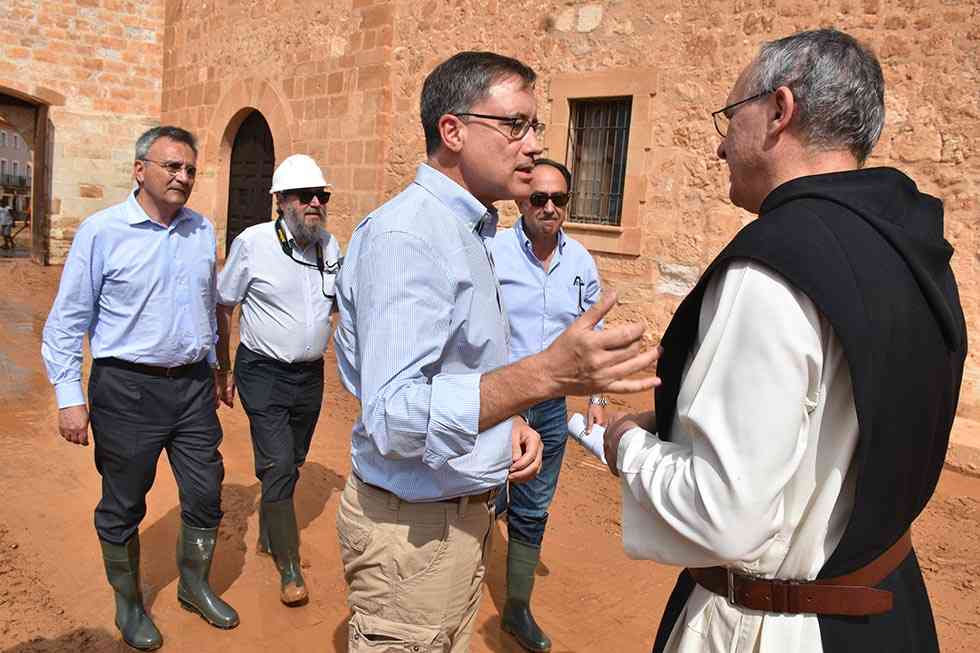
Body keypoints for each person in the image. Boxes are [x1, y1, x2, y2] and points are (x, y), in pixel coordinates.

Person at [601, 29, 967, 653]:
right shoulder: (910, 247)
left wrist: (625, 445)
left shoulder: (774, 266)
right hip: (887, 616)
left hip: (779, 627)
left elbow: (725, 514)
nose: (719, 146)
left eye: (730, 116)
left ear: (779, 110)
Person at [333, 51, 660, 652]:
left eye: (535, 125)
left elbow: (455, 367)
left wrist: (505, 422)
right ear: (452, 131)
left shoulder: (470, 230)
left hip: (455, 521)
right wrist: (543, 376)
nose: (534, 144)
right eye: (517, 125)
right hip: (413, 536)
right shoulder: (410, 238)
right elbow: (393, 417)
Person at [42, 126, 239, 651]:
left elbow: (210, 307)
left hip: (193, 388)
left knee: (205, 491)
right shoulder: (102, 232)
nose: (183, 177)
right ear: (139, 169)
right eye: (172, 166)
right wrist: (69, 400)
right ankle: (129, 603)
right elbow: (66, 322)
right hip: (126, 391)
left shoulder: (200, 231)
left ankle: (194, 586)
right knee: (124, 501)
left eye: (191, 170)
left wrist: (221, 366)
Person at [488, 158, 606, 651]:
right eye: (539, 198)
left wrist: (597, 394)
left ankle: (516, 609)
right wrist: (504, 405)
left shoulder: (580, 261)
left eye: (559, 199)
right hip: (496, 408)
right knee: (481, 499)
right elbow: (476, 334)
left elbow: (593, 331)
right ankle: (460, 596)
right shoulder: (493, 253)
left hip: (552, 409)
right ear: (522, 201)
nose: (550, 207)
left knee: (533, 511)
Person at [215, 153, 341, 607]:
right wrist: (222, 367)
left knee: (295, 459)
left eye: (320, 196)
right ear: (280, 201)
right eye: (304, 196)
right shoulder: (253, 243)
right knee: (280, 465)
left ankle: (272, 532)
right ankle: (288, 565)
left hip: (310, 376)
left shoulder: (331, 247)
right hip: (262, 371)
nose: (314, 203)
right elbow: (223, 304)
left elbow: (338, 309)